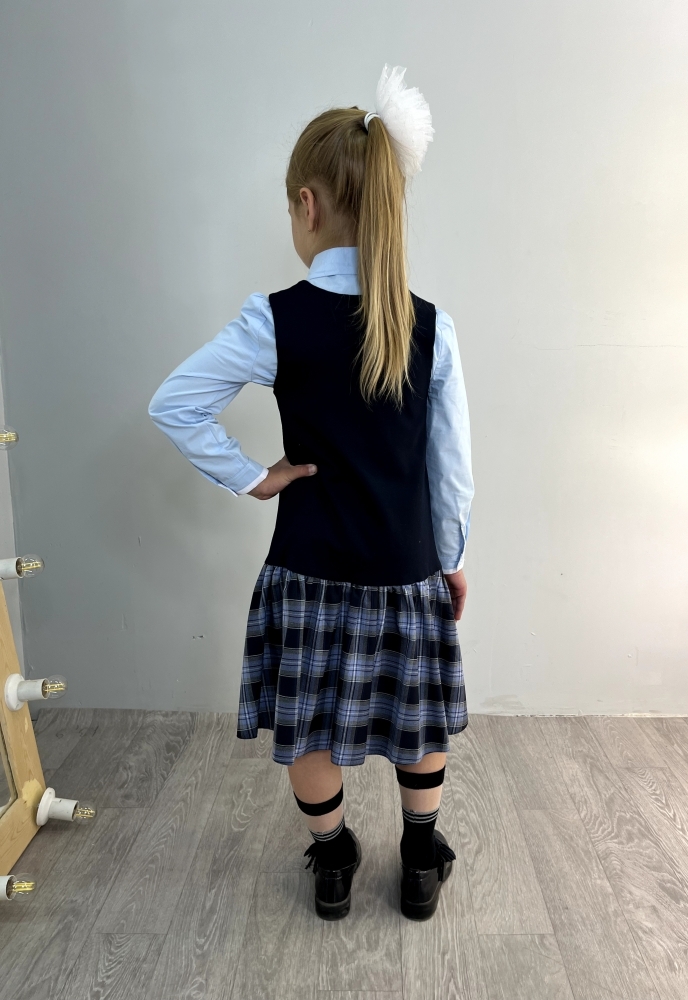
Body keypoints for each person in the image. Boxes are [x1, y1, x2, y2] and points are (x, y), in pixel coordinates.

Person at [148, 66, 474, 922]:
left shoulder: (275, 319)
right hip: (405, 570)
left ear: (307, 205)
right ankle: (419, 858)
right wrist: (451, 559)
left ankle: (332, 860)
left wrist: (254, 477)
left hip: (307, 573)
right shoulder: (431, 327)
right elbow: (452, 471)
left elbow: (175, 403)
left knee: (310, 729)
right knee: (417, 723)